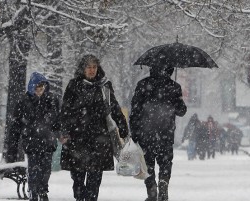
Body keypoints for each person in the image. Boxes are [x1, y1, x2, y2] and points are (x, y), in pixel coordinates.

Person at [59, 54, 129, 201]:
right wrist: (64, 130)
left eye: (94, 67)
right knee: (78, 179)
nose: (92, 70)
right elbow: (65, 111)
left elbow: (114, 107)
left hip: (99, 138)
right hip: (77, 138)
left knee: (95, 179)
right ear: (83, 69)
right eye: (89, 67)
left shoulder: (104, 85)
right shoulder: (74, 85)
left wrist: (122, 126)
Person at [130, 66, 187, 201]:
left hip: (145, 132)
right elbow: (181, 111)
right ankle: (163, 184)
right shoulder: (174, 87)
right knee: (165, 162)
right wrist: (176, 101)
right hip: (166, 133)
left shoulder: (143, 84)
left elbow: (135, 110)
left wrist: (134, 132)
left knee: (147, 163)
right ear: (170, 70)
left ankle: (152, 190)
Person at [4, 72, 60, 201]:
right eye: (37, 87)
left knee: (46, 170)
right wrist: (12, 149)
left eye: (42, 87)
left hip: (48, 142)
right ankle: (33, 192)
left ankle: (43, 191)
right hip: (32, 143)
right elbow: (15, 127)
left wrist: (59, 133)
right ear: (32, 87)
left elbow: (57, 121)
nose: (40, 90)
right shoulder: (23, 102)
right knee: (34, 170)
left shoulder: (52, 100)